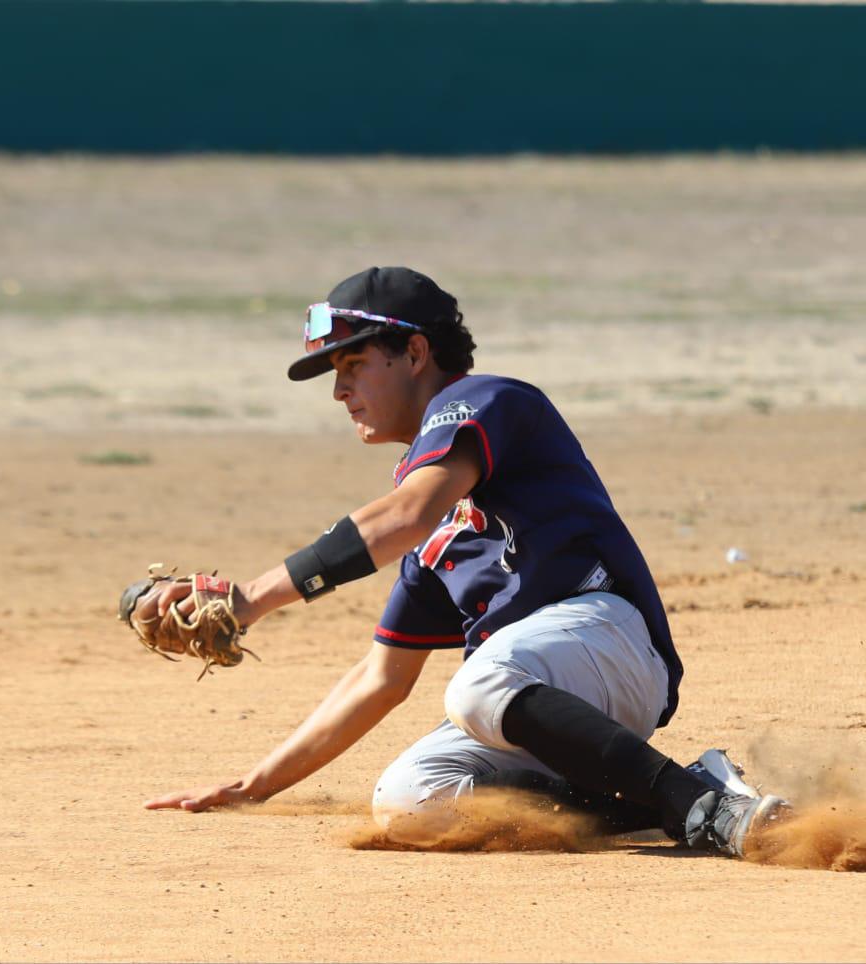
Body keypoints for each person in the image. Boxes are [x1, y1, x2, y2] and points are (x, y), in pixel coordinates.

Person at [143, 266, 790, 858]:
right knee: (408, 799)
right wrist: (253, 786)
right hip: (537, 703)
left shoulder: (484, 400)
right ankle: (677, 796)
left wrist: (251, 597)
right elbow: (380, 681)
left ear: (415, 352)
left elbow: (403, 516)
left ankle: (702, 809)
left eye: (354, 363)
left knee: (476, 683)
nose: (340, 389)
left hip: (606, 643)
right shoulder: (428, 521)